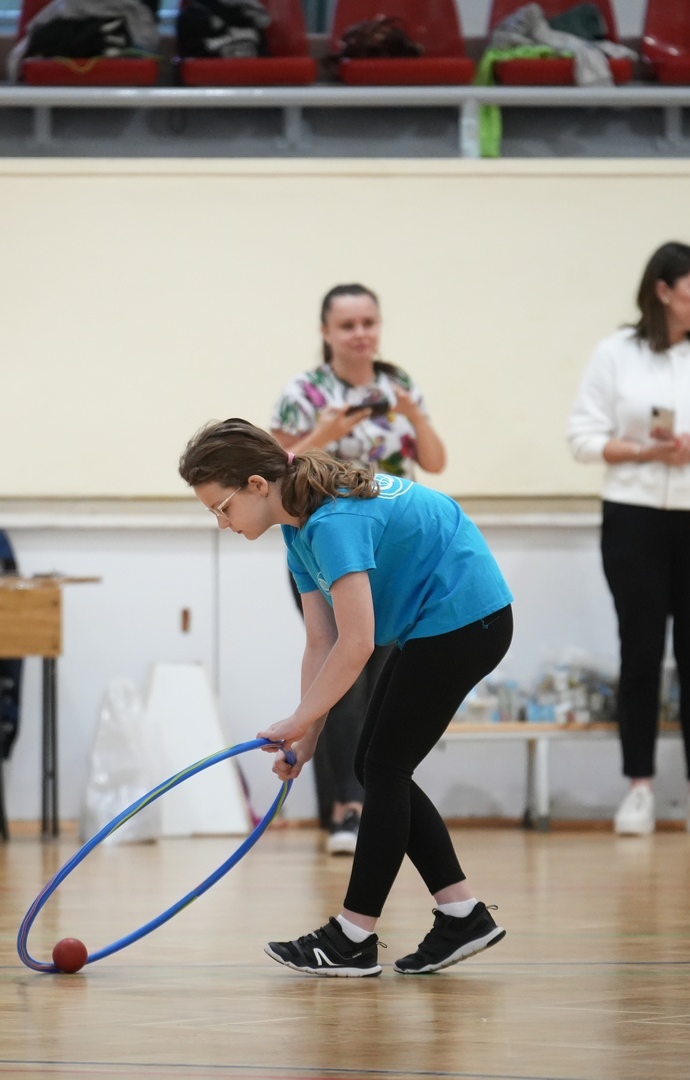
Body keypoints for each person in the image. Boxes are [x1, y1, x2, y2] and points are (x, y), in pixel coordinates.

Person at [179, 419, 514, 977]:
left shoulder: (333, 523)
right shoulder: (297, 529)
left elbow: (358, 643)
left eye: (222, 508)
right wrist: (307, 734)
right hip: (434, 624)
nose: (222, 523)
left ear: (257, 485)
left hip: (466, 619)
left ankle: (352, 936)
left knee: (383, 768)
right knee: (376, 765)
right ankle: (461, 914)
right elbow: (322, 640)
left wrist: (296, 718)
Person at [567, 242, 690, 837]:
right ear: (663, 290)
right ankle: (639, 789)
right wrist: (642, 451)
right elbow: (582, 439)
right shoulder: (616, 353)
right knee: (641, 652)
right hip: (634, 515)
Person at [271, 283, 448, 855]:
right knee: (340, 672)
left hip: (394, 554)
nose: (360, 334)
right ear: (326, 332)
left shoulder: (398, 384)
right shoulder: (304, 392)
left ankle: (376, 801)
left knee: (385, 679)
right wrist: (328, 432)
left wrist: (413, 412)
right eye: (347, 325)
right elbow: (275, 469)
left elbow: (435, 461)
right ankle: (345, 807)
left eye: (368, 322)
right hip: (328, 547)